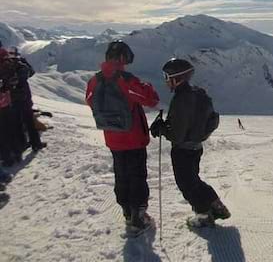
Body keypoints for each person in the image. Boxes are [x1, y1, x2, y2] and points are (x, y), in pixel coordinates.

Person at [85, 41, 159, 234]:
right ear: (123, 58)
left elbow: (90, 100)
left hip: (112, 138)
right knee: (137, 175)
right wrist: (146, 85)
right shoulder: (126, 80)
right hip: (133, 137)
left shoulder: (95, 80)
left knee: (121, 174)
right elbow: (151, 100)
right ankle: (138, 216)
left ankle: (127, 211)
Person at [150, 58, 230, 228]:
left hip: (182, 150)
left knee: (186, 184)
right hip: (195, 147)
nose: (165, 81)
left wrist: (161, 129)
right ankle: (216, 206)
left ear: (177, 78)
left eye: (167, 76)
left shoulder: (181, 99)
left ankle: (203, 215)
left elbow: (177, 134)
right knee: (193, 180)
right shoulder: (199, 93)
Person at [7, 47, 45, 151]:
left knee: (18, 122)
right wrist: (24, 62)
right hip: (24, 98)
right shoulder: (22, 66)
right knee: (29, 122)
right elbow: (31, 73)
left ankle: (22, 144)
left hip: (12, 99)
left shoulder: (6, 66)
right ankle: (36, 144)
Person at [0, 49, 23, 166]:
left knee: (2, 132)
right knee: (10, 129)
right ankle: (17, 153)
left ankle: (7, 158)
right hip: (7, 101)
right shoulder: (8, 61)